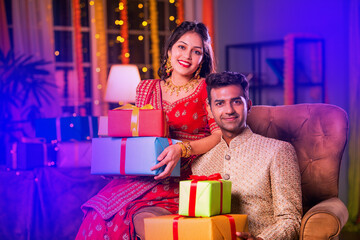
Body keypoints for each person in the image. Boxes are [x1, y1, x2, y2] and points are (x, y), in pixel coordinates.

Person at [76, 21, 221, 240]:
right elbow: (137, 137)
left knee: (132, 218)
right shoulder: (147, 88)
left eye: (196, 51)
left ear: (203, 58)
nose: (187, 56)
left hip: (182, 175)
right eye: (182, 47)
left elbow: (219, 135)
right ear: (170, 49)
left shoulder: (206, 88)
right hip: (146, 174)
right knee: (99, 214)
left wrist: (182, 149)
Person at [191, 71, 302, 240]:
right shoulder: (200, 164)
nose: (229, 110)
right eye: (220, 103)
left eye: (236, 102)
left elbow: (291, 220)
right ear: (210, 109)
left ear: (248, 105)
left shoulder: (278, 151)